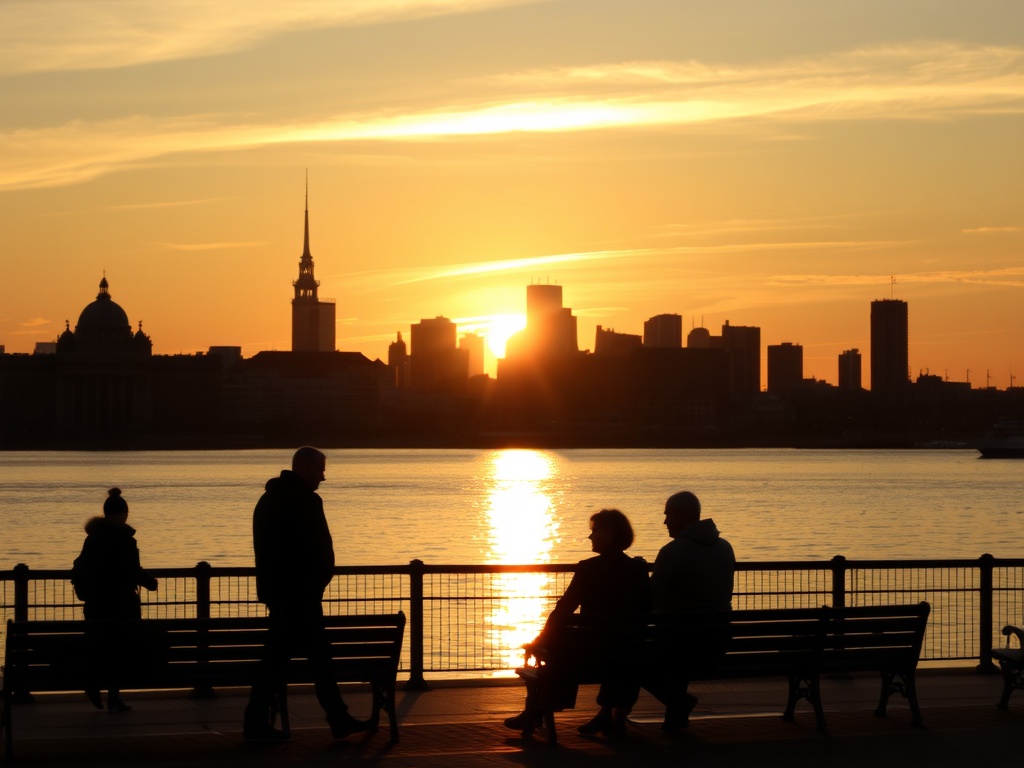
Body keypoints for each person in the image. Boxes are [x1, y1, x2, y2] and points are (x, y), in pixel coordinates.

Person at [242, 446, 369, 742]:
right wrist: (320, 579)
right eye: (321, 469)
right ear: (306, 468)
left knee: (285, 662)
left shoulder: (268, 499)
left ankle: (331, 716)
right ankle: (334, 718)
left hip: (279, 595)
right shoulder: (306, 501)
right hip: (303, 596)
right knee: (310, 661)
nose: (324, 477)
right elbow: (320, 548)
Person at [504, 509, 652, 738]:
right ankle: (607, 715)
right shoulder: (639, 570)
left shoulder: (588, 569)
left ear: (609, 534)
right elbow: (645, 612)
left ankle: (534, 711)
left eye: (594, 532)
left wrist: (538, 641)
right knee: (624, 650)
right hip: (627, 655)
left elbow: (562, 611)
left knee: (553, 652)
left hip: (589, 658)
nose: (590, 537)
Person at [648, 490, 735, 731]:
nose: (664, 521)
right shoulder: (725, 548)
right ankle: (675, 715)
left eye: (668, 515)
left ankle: (678, 702)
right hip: (717, 642)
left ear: (682, 515)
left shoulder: (673, 551)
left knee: (626, 657)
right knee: (678, 638)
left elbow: (652, 601)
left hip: (680, 645)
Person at [71, 487, 159, 712]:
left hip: (96, 605)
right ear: (122, 514)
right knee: (120, 650)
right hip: (122, 605)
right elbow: (133, 569)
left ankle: (94, 683)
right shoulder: (125, 540)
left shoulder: (92, 538)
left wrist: (87, 593)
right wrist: (151, 582)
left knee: (100, 647)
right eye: (126, 513)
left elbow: (79, 566)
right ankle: (113, 696)